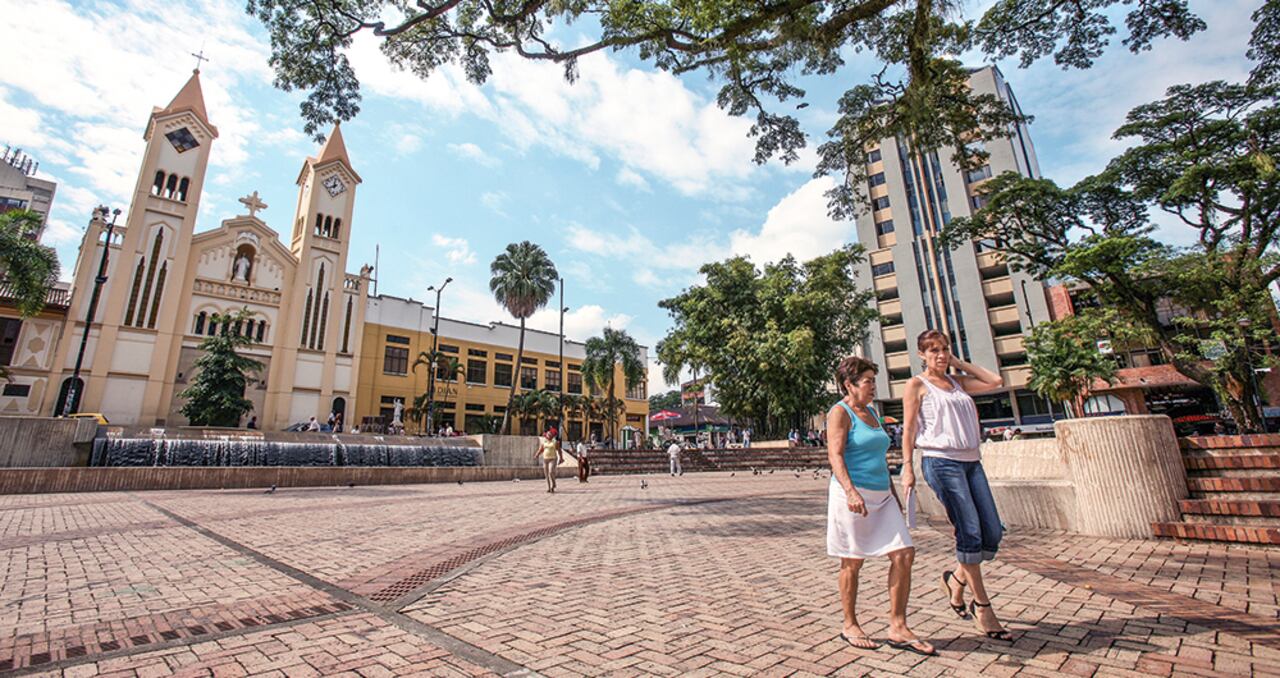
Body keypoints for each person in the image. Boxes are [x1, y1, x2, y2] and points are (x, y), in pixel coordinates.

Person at [901, 329, 1012, 642]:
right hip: (941, 462)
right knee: (970, 531)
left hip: (971, 462)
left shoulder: (957, 382)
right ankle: (982, 605)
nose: (939, 355)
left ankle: (955, 580)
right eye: (933, 350)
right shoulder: (916, 385)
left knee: (992, 533)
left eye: (944, 349)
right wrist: (907, 468)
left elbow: (995, 381)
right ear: (921, 354)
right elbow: (908, 430)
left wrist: (958, 362)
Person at [826, 356, 935, 655]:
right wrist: (850, 491)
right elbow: (835, 456)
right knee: (852, 560)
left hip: (882, 495)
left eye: (874, 380)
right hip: (852, 495)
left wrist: (894, 497)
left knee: (904, 554)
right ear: (849, 385)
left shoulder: (872, 412)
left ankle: (898, 625)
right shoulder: (840, 412)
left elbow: (879, 458)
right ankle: (850, 623)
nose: (873, 386)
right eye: (868, 381)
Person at [533, 428, 564, 493]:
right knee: (546, 474)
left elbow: (559, 450)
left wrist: (561, 458)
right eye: (548, 434)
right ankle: (549, 487)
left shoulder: (555, 442)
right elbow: (541, 449)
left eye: (550, 434)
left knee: (550, 472)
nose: (549, 435)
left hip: (553, 459)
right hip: (545, 459)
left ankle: (554, 483)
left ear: (552, 435)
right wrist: (537, 455)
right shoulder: (544, 442)